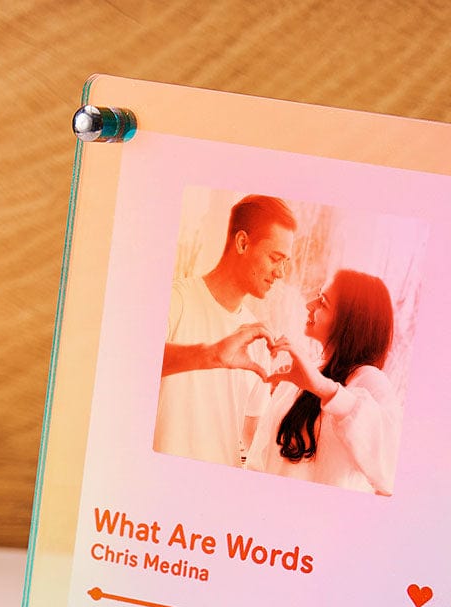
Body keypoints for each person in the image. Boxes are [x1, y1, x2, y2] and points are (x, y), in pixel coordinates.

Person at [153, 195, 296, 467]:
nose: (280, 273)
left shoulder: (257, 339)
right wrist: (212, 355)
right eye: (275, 258)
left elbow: (250, 440)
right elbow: (135, 364)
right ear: (242, 243)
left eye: (285, 262)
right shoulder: (175, 301)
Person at [246, 269, 400, 495]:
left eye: (323, 302)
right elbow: (260, 455)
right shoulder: (301, 373)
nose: (309, 304)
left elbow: (390, 468)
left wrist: (325, 390)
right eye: (318, 296)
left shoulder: (370, 380)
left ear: (349, 322)